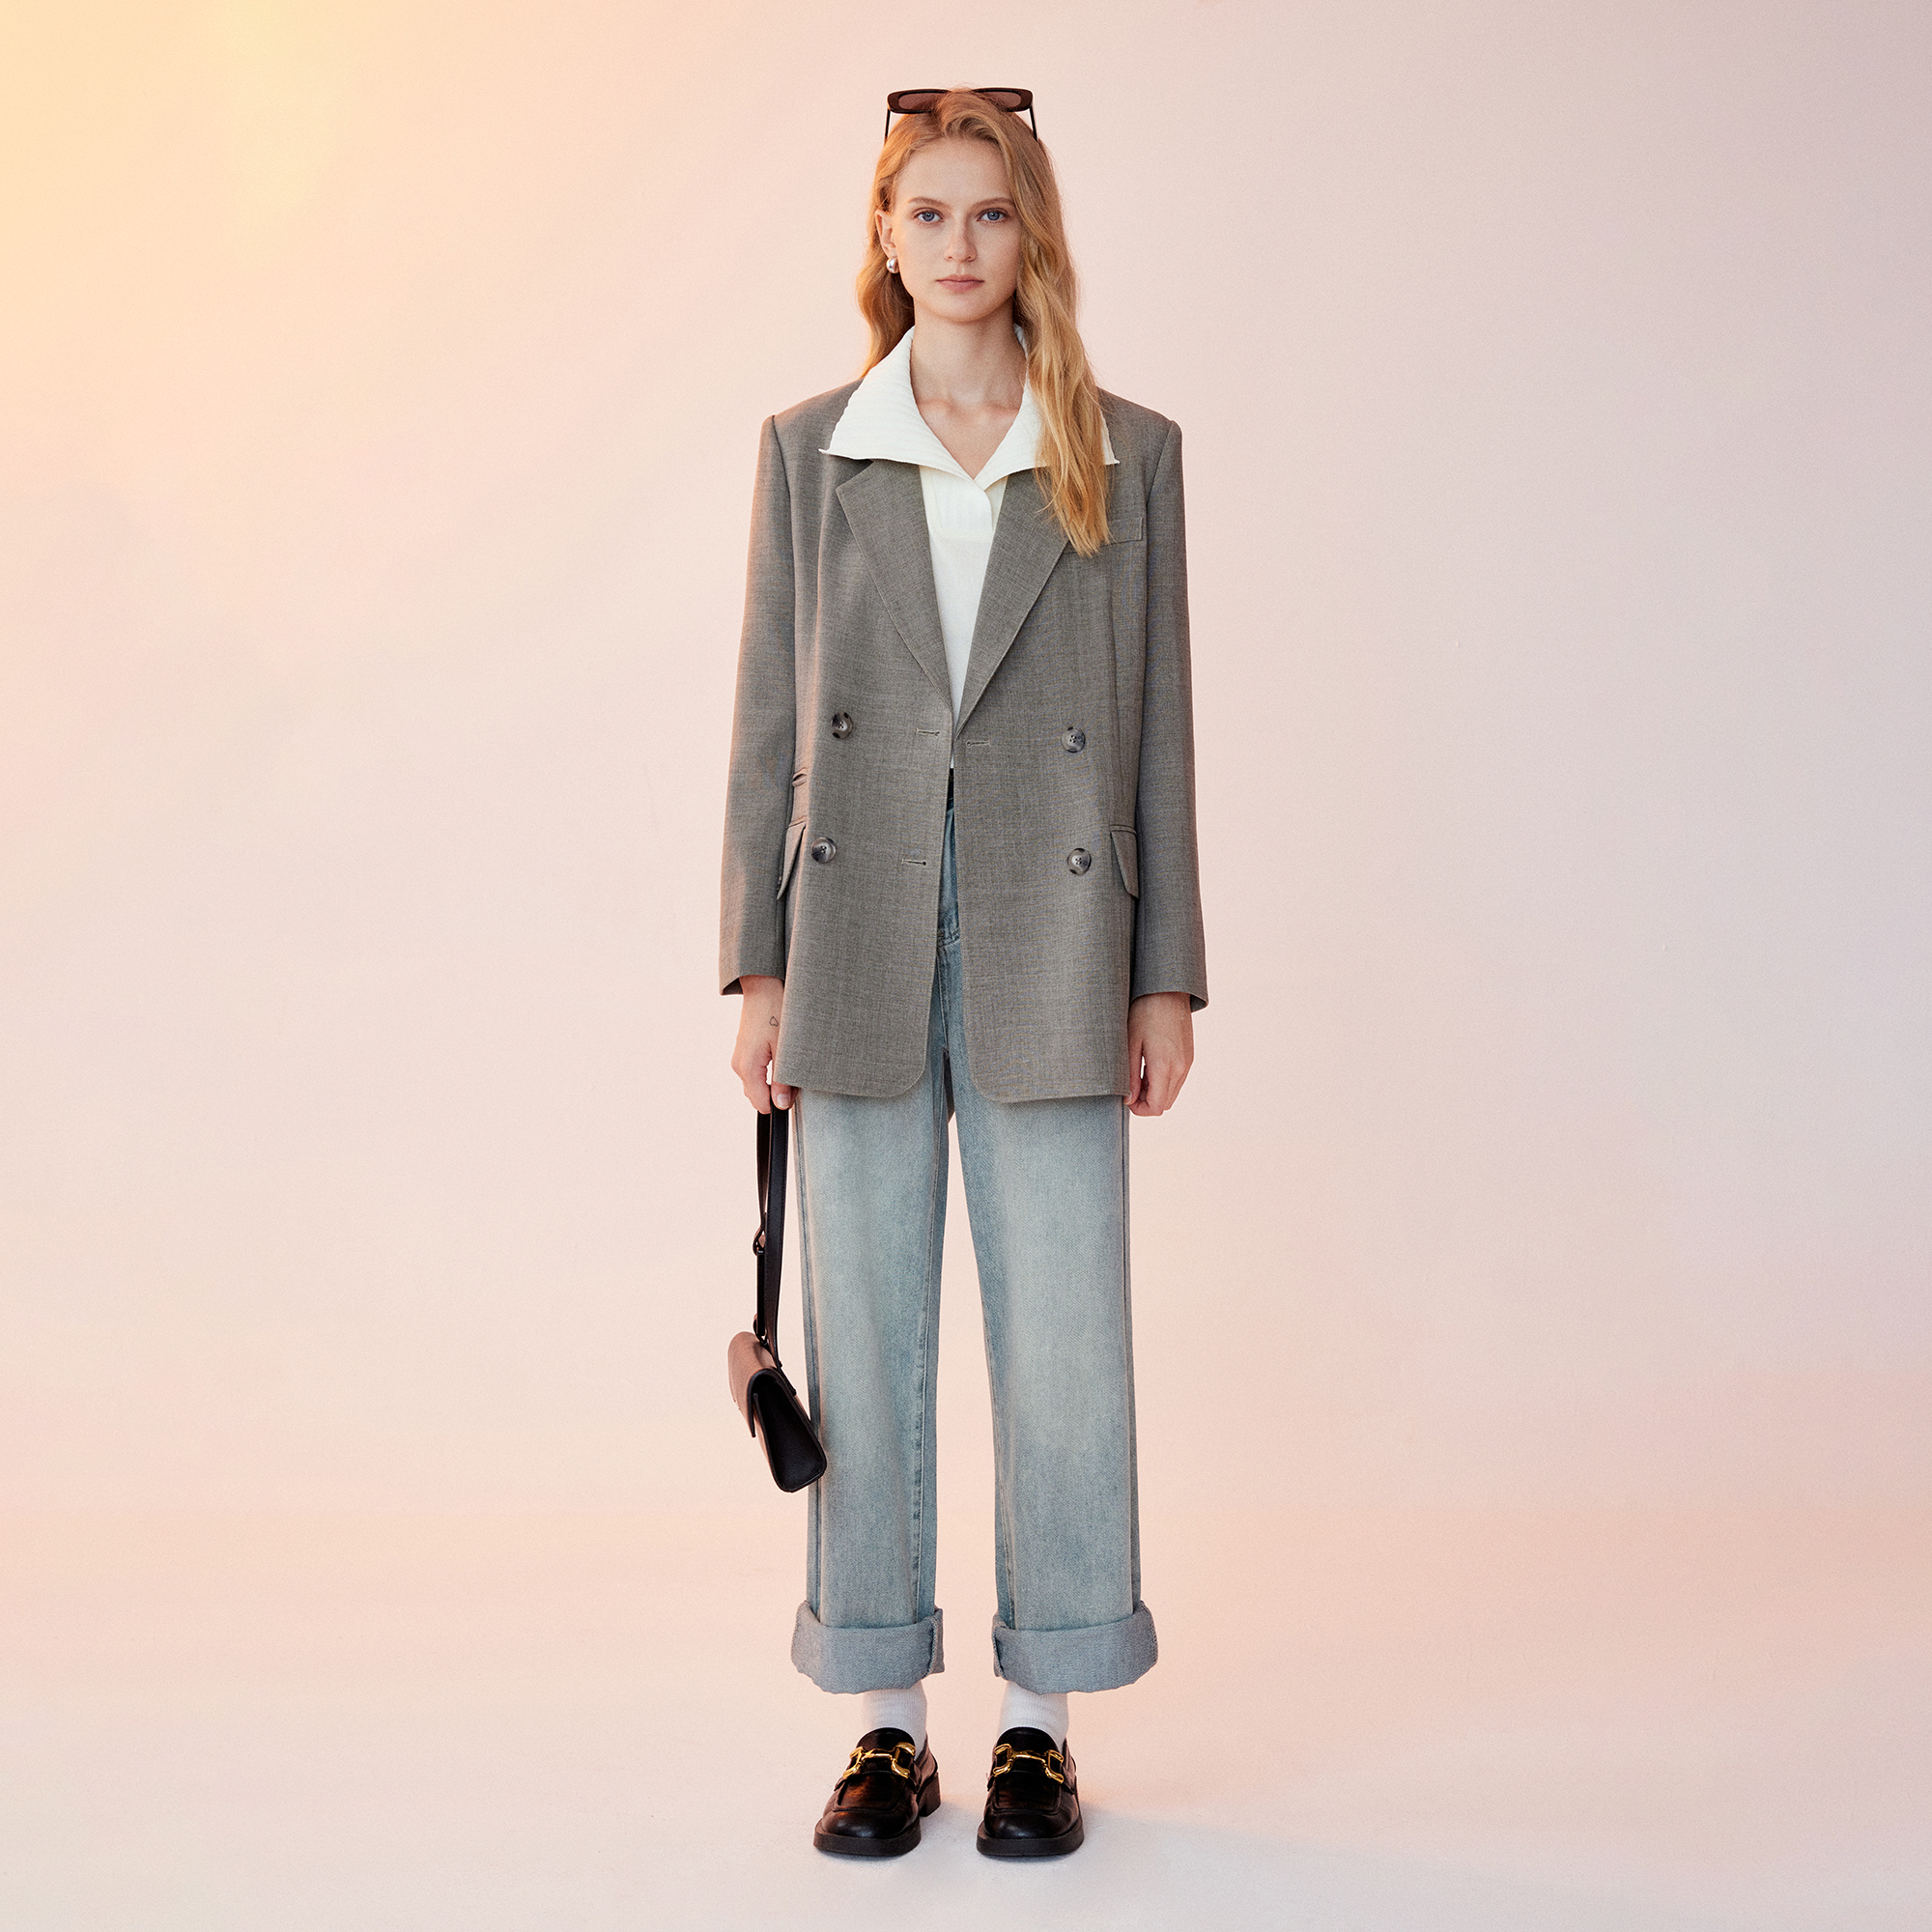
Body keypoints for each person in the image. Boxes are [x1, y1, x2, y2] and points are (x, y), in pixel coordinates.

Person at [719, 86, 1207, 1860]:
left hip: (1055, 931)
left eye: (989, 213)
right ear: (885, 235)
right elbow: (768, 721)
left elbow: (1157, 730)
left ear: (1033, 235)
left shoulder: (1123, 451)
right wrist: (754, 968)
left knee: (1063, 1337)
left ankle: (1039, 1723)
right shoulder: (810, 450)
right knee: (864, 1336)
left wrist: (1165, 976)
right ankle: (885, 1722)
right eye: (925, 213)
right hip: (851, 931)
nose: (957, 245)